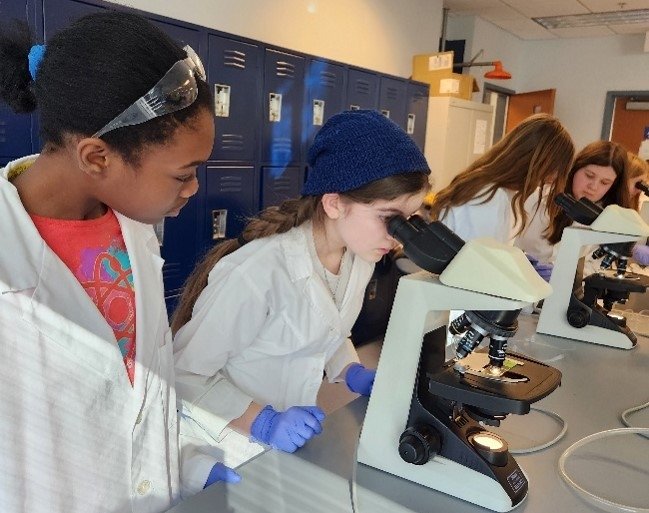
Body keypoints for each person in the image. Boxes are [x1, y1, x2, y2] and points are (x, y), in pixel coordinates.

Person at [0, 11, 234, 513]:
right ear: (97, 157)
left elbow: (139, 391)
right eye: (183, 174)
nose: (195, 190)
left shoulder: (133, 234)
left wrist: (187, 461)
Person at [171, 110, 431, 471]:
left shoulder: (359, 258)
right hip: (222, 448)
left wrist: (350, 371)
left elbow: (325, 326)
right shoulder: (258, 272)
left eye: (410, 218)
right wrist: (262, 421)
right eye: (390, 218)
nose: (397, 235)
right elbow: (182, 375)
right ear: (335, 202)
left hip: (282, 452)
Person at [428, 113, 575, 250]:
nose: (554, 178)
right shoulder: (489, 195)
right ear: (540, 161)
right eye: (556, 170)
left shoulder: (503, 192)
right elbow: (476, 263)